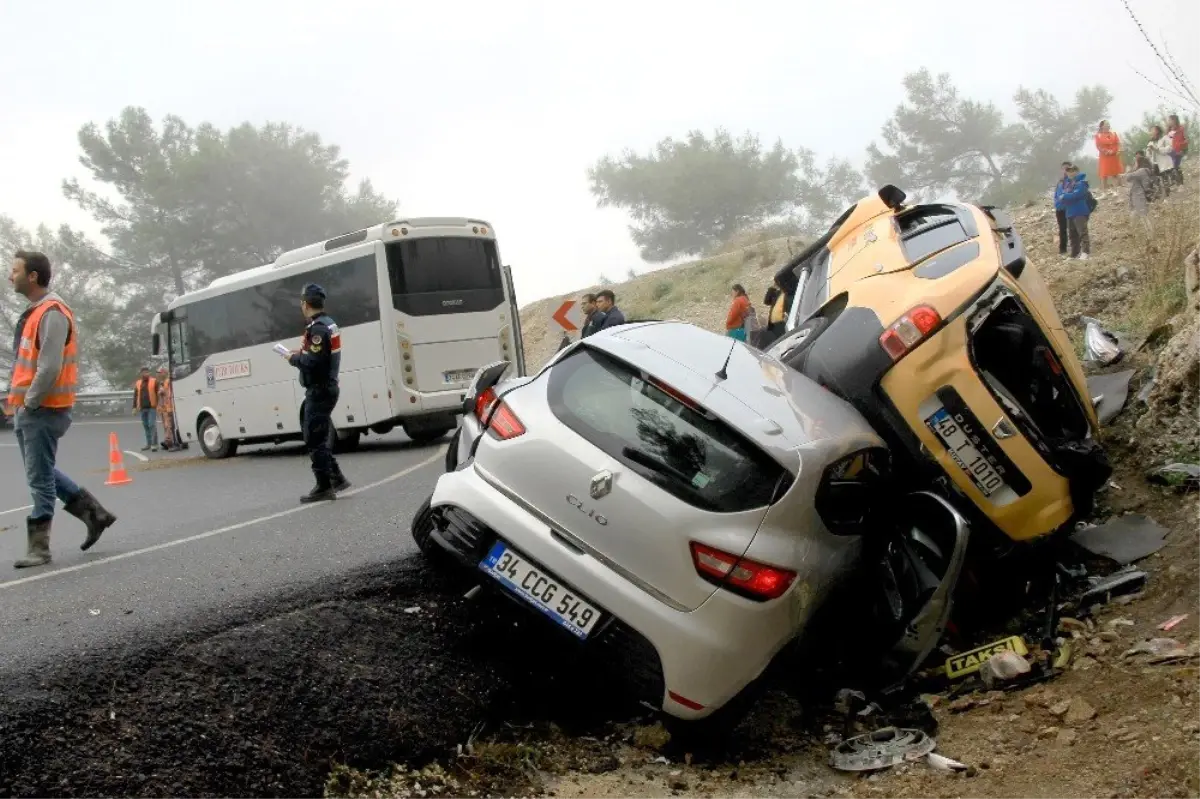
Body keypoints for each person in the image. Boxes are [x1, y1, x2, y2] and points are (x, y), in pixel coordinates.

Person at [6, 250, 117, 568]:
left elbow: (50, 366)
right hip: (30, 408)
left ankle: (39, 548)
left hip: (42, 408)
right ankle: (95, 514)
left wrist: (29, 401)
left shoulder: (52, 312)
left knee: (38, 477)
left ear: (33, 277)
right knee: (41, 470)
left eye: (14, 271)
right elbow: (27, 364)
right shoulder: (36, 311)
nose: (9, 276)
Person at [288, 283, 350, 503]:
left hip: (320, 389)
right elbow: (320, 356)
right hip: (326, 387)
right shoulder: (328, 324)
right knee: (318, 434)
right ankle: (336, 478)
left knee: (314, 438)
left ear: (305, 304)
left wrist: (292, 358)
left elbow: (313, 363)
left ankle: (325, 485)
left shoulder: (318, 329)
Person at [1060, 165, 1093, 261]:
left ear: (1077, 171)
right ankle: (1074, 254)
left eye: (1073, 170)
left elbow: (1076, 195)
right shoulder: (1067, 184)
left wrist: (1065, 196)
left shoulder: (1081, 183)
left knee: (1082, 232)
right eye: (1068, 171)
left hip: (1080, 211)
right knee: (1072, 235)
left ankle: (1086, 252)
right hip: (1069, 212)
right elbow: (1061, 198)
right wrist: (1065, 196)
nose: (1070, 172)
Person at [132, 366, 159, 452]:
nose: (145, 374)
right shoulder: (138, 383)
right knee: (146, 426)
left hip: (152, 407)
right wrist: (134, 407)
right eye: (143, 372)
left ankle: (154, 444)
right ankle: (149, 444)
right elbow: (135, 395)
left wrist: (159, 405)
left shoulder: (154, 381)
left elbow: (158, 393)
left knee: (151, 425)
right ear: (141, 373)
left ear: (149, 373)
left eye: (147, 372)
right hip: (142, 408)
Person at [1094, 121, 1123, 191]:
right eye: (1106, 124)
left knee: (1115, 173)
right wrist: (1105, 151)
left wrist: (1113, 151)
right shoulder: (1098, 135)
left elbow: (1117, 143)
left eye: (1108, 124)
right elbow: (1098, 146)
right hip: (1104, 156)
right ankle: (1104, 192)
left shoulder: (1114, 134)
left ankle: (1116, 191)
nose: (1108, 125)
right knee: (1104, 174)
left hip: (1113, 155)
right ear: (1102, 126)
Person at [1052, 162, 1073, 257]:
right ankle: (1063, 249)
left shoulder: (1073, 181)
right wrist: (1057, 203)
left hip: (1070, 208)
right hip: (1060, 209)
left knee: (1073, 228)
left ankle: (1076, 247)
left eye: (1068, 168)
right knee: (1062, 229)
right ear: (1062, 170)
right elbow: (1056, 195)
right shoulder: (1060, 182)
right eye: (1064, 168)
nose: (1066, 170)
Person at [157, 366, 178, 451]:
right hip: (165, 408)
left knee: (170, 426)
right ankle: (168, 442)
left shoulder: (168, 381)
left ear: (164, 373)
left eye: (159, 373)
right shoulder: (163, 382)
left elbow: (168, 394)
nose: (158, 375)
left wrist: (162, 391)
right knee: (167, 426)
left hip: (170, 407)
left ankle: (171, 443)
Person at [1167, 114, 1187, 185]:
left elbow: (1186, 140)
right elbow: (1168, 141)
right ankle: (1176, 182)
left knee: (1176, 166)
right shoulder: (1169, 131)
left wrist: (1182, 148)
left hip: (1179, 150)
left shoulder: (1181, 129)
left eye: (1169, 120)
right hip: (1171, 151)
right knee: (1172, 167)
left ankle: (1180, 183)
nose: (1168, 121)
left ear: (1174, 120)